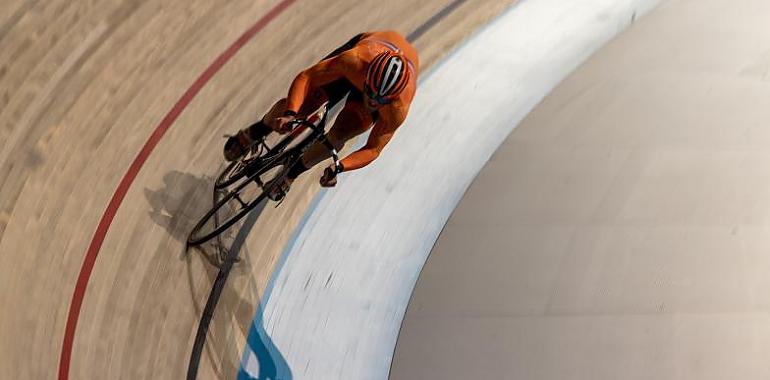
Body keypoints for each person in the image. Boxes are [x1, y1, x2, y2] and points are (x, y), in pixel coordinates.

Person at [223, 30, 419, 201]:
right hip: (358, 63)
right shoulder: (354, 60)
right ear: (366, 77)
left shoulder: (397, 108)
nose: (372, 101)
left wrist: (340, 166)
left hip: (372, 77)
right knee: (305, 105)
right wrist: (291, 113)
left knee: (343, 131)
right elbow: (306, 77)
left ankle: (292, 174)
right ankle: (256, 131)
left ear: (392, 99)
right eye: (369, 91)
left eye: (380, 101)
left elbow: (373, 149)